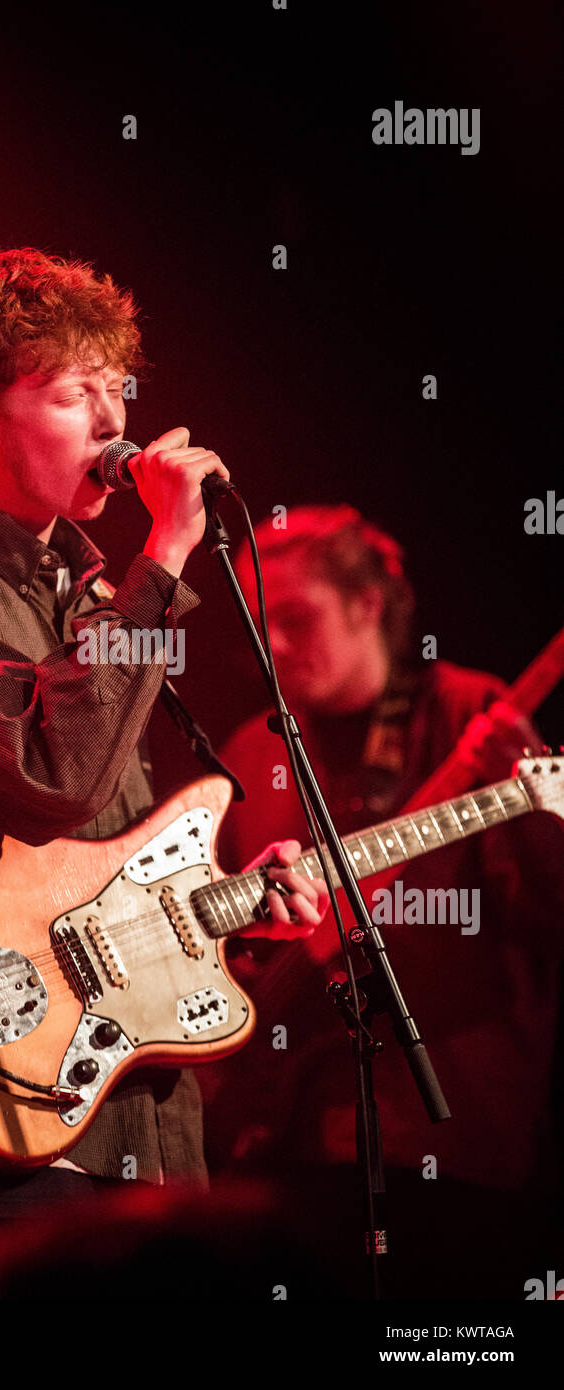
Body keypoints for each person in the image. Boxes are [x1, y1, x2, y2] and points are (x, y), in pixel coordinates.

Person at [0, 248, 329, 1298]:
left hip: (147, 1132)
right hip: (2, 1116)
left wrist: (227, 907)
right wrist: (160, 563)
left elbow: (90, 866)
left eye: (117, 390)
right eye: (72, 394)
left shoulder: (97, 589)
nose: (113, 424)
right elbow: (40, 780)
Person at [204, 504, 564, 1298]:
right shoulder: (249, 751)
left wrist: (540, 807)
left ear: (368, 604)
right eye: (266, 626)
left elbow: (550, 917)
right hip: (280, 1143)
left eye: (298, 618)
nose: (279, 647)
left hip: (449, 1133)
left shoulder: (473, 714)